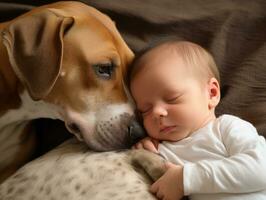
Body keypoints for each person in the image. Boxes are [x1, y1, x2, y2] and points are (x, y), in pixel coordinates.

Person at [128, 40, 266, 200]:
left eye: (172, 98)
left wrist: (186, 178)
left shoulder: (226, 128)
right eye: (145, 110)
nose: (157, 112)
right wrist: (145, 152)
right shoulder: (163, 151)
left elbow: (261, 169)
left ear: (212, 93)